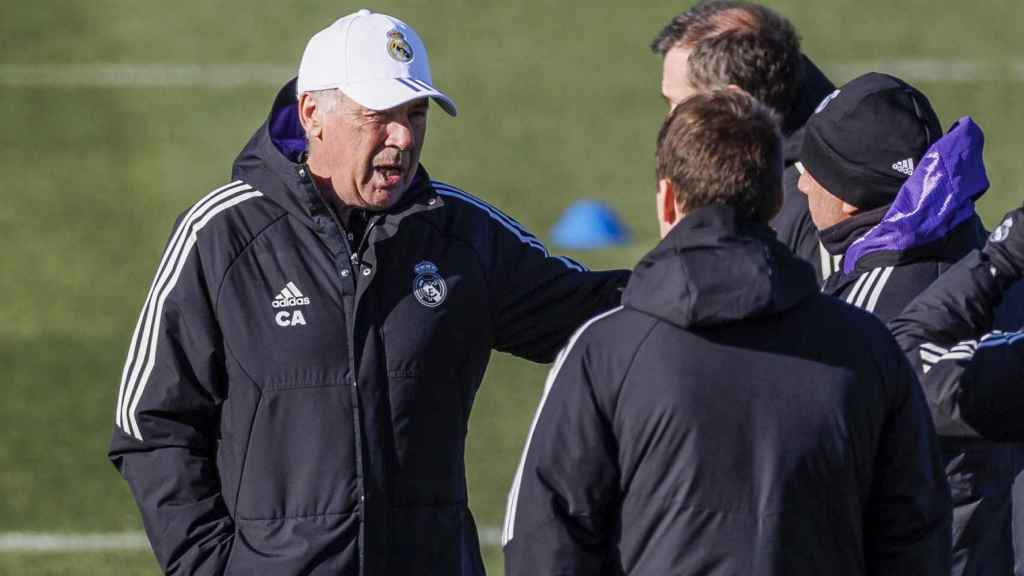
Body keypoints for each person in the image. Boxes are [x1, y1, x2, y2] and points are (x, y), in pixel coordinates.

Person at [107, 10, 628, 576]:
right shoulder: (220, 237)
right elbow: (150, 426)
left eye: (416, 114)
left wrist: (710, 259)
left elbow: (599, 314)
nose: (403, 138)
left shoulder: (461, 236)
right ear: (313, 115)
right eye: (379, 115)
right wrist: (209, 566)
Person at [502, 89, 951, 575]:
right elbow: (915, 533)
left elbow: (541, 540)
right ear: (776, 198)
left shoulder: (604, 351)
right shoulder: (867, 348)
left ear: (669, 199)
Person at [799, 72, 1024, 575]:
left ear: (850, 197)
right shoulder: (993, 265)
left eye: (812, 170)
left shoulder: (860, 317)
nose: (800, 182)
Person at [651, 0, 837, 282]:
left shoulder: (815, 198)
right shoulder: (778, 169)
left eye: (679, 104)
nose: (668, 122)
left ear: (734, 101)